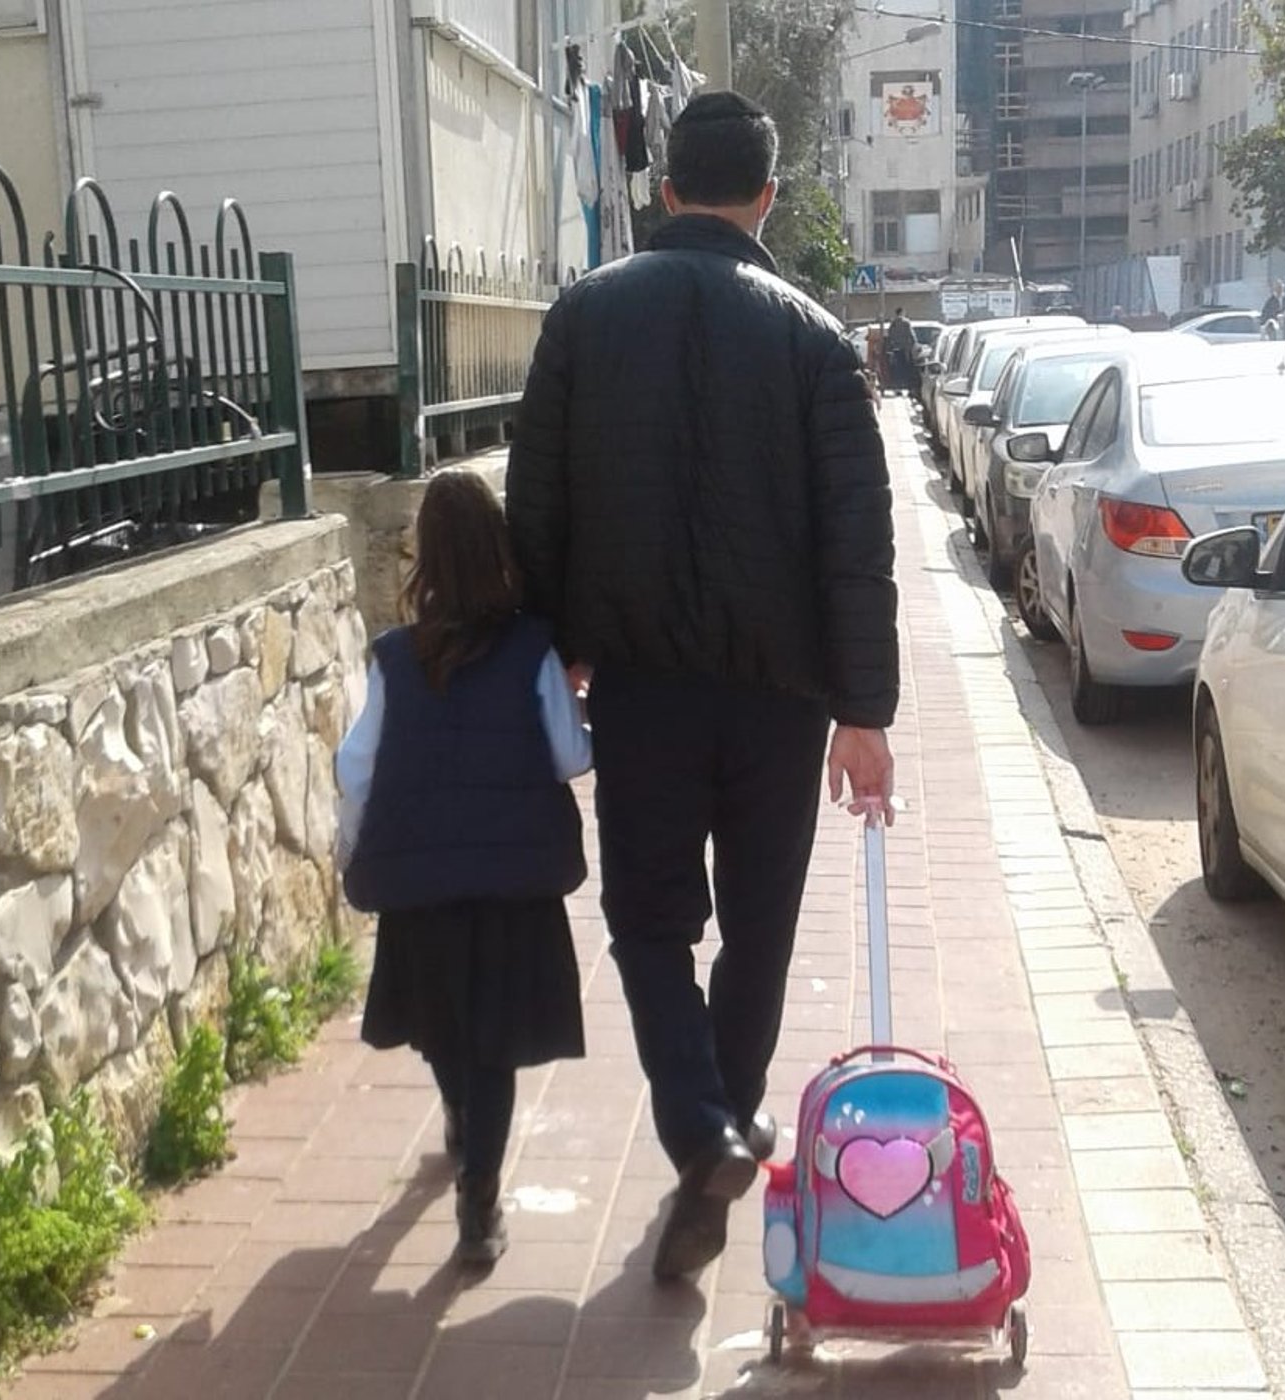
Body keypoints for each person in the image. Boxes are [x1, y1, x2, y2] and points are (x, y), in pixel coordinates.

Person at [506, 91, 899, 1280]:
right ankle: (719, 1126)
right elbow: (856, 540)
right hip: (781, 701)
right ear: (767, 197)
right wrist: (863, 712)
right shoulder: (815, 341)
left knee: (647, 922)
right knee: (759, 925)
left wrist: (554, 643)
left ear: (666, 190)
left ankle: (699, 1127)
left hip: (639, 687)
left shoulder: (583, 315)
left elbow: (537, 499)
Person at [335, 471, 591, 1266]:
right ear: (498, 549)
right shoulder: (532, 649)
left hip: (422, 886)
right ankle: (480, 1199)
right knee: (496, 1048)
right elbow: (570, 756)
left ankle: (457, 1112)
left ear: (428, 559)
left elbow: (356, 765)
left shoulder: (395, 659)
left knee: (443, 1025)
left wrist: (354, 846)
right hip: (514, 884)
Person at [886, 306, 915, 396]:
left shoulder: (893, 323)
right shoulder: (906, 322)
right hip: (905, 349)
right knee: (907, 368)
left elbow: (889, 335)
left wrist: (891, 346)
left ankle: (897, 388)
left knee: (897, 369)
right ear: (902, 312)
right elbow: (911, 335)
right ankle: (909, 388)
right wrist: (913, 344)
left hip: (895, 349)